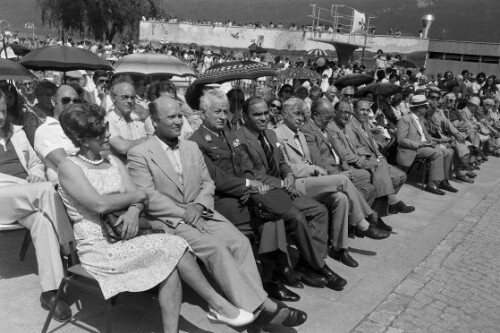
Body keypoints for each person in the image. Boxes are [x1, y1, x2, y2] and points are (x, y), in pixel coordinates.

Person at [57, 103, 254, 332]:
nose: (109, 134)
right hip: (99, 246)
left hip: (125, 233)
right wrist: (135, 196)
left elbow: (139, 198)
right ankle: (219, 305)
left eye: (107, 128)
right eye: (101, 132)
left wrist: (133, 210)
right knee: (175, 246)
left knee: (169, 260)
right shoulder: (69, 167)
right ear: (82, 139)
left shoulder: (111, 161)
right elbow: (99, 204)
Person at [127, 96, 307, 329]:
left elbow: (207, 183)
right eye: (171, 117)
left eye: (179, 116)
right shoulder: (140, 153)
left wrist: (200, 206)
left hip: (201, 210)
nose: (178, 121)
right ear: (154, 120)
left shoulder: (190, 147)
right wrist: (185, 213)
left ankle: (253, 303)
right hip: (169, 218)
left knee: (240, 243)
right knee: (216, 248)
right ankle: (263, 308)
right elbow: (148, 195)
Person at [190, 89, 329, 299]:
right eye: (216, 112)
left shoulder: (228, 133)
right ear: (202, 113)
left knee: (275, 211)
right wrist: (250, 184)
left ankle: (278, 272)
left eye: (225, 112)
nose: (222, 116)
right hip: (223, 198)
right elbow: (218, 179)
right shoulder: (198, 141)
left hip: (247, 191)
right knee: (271, 216)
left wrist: (254, 184)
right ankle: (270, 278)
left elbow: (246, 166)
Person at [230, 96, 348, 290]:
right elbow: (251, 174)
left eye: (266, 113)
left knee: (318, 210)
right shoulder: (239, 140)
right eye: (257, 114)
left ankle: (306, 263)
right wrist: (283, 183)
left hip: (284, 189)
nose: (263, 118)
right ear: (245, 116)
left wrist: (290, 176)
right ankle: (320, 267)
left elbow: (282, 163)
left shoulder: (269, 134)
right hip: (262, 194)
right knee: (297, 217)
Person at [275, 98, 384, 267]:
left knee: (341, 197)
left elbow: (312, 159)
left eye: (303, 114)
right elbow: (284, 167)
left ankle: (340, 249)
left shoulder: (301, 135)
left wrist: (316, 171)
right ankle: (365, 221)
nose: (301, 118)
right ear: (283, 114)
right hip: (295, 182)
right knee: (342, 179)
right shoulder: (277, 134)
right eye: (296, 114)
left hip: (311, 180)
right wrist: (312, 169)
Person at [0, 90, 74, 323]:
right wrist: (25, 184)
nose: (1, 116)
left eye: (2, 110)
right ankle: (71, 252)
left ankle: (50, 292)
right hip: (3, 198)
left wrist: (33, 174)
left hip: (26, 196)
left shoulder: (17, 132)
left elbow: (34, 162)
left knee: (42, 220)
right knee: (46, 190)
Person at [300, 99, 390, 239]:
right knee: (346, 193)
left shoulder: (325, 127)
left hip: (341, 169)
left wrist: (346, 168)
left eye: (331, 117)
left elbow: (341, 154)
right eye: (327, 117)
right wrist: (340, 173)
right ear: (316, 114)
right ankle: (367, 220)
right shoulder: (308, 131)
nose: (330, 120)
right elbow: (318, 162)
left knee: (370, 188)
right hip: (328, 174)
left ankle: (356, 224)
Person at [346, 99, 415, 215]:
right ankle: (385, 208)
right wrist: (376, 158)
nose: (365, 113)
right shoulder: (350, 126)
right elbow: (356, 148)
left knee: (402, 176)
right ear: (354, 111)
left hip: (375, 159)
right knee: (393, 178)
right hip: (364, 161)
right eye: (362, 110)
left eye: (367, 110)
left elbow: (372, 144)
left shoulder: (365, 123)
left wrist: (379, 153)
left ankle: (386, 208)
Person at [396, 95, 456, 195]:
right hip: (414, 148)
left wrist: (441, 140)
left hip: (425, 145)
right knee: (438, 153)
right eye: (425, 107)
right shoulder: (405, 119)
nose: (427, 109)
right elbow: (401, 140)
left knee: (449, 151)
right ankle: (432, 183)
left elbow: (428, 137)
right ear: (419, 108)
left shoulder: (420, 120)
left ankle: (443, 180)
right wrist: (419, 144)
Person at [34, 85, 80, 182]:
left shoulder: (81, 126)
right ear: (53, 101)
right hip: (69, 186)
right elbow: (66, 164)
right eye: (66, 100)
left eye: (75, 101)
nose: (71, 104)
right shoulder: (46, 130)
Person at [106, 81, 154, 162]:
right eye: (125, 97)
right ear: (113, 98)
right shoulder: (108, 120)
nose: (129, 101)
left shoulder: (137, 118)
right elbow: (122, 148)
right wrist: (146, 139)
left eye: (132, 97)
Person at [23, 80, 58, 146]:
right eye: (48, 95)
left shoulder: (56, 111)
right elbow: (34, 142)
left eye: (54, 96)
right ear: (39, 96)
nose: (52, 99)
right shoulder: (31, 115)